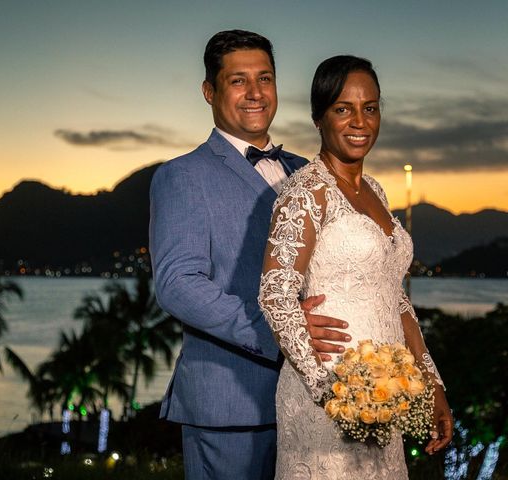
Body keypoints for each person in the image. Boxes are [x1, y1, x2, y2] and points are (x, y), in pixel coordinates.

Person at [149, 30, 349, 480]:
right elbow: (178, 285)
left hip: (315, 400)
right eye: (239, 81)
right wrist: (281, 331)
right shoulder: (183, 176)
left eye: (265, 78)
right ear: (209, 91)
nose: (256, 93)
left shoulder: (309, 169)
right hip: (231, 405)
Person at [259, 55, 453, 479]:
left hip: (388, 399)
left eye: (370, 108)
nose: (359, 121)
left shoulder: (377, 192)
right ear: (318, 117)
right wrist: (333, 392)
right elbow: (275, 295)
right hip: (330, 397)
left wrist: (431, 383)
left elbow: (395, 299)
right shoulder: (305, 192)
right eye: (343, 109)